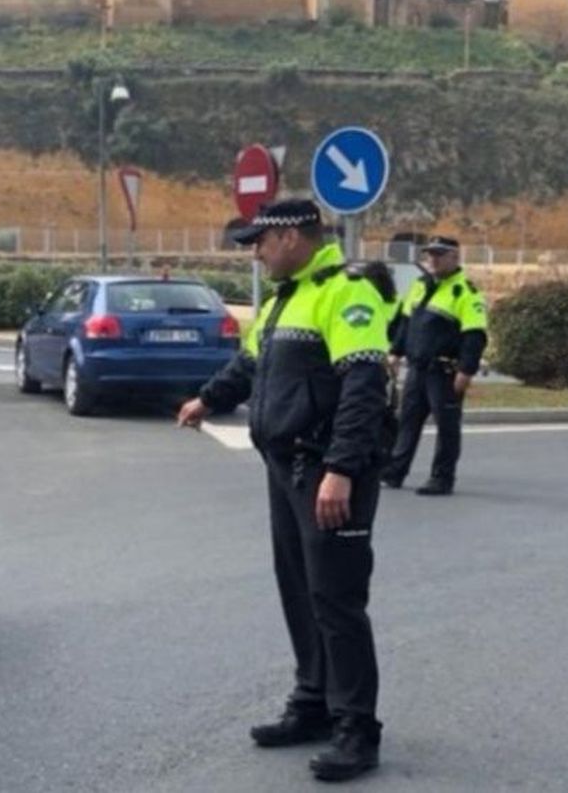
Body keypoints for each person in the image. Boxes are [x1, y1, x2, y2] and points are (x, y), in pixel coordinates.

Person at [177, 199, 396, 783]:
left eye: (261, 242)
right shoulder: (280, 299)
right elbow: (249, 368)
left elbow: (364, 386)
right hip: (286, 469)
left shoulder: (346, 291)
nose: (256, 251)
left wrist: (343, 468)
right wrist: (208, 399)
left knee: (337, 600)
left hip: (328, 471)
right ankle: (314, 703)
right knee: (300, 591)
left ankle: (357, 728)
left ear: (294, 237)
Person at [382, 235, 487, 496]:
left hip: (445, 371)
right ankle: (395, 471)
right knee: (407, 422)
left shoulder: (464, 291)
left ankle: (442, 478)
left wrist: (466, 370)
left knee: (447, 427)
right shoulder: (420, 285)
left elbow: (475, 335)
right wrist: (395, 353)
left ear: (454, 257)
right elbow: (406, 323)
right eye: (430, 254)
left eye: (440, 254)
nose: (433, 259)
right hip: (417, 369)